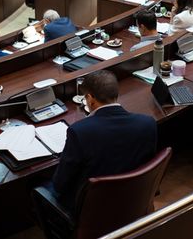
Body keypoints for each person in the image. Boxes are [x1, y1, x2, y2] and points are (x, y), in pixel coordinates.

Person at [47, 70, 157, 210]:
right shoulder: (147, 123)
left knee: (38, 184)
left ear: (90, 98)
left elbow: (60, 184)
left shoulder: (80, 132)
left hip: (93, 208)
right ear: (116, 94)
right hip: (133, 198)